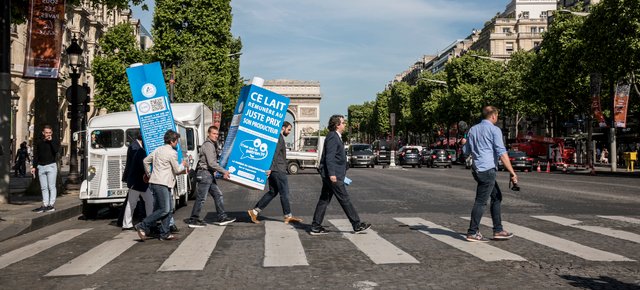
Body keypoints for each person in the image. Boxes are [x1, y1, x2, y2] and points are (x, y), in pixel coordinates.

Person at [463, 106, 517, 242]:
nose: (497, 119)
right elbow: (502, 153)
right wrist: (512, 172)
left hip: (477, 169)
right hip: (488, 169)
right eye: (497, 116)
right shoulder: (494, 130)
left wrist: (463, 142)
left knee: (496, 196)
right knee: (481, 202)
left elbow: (466, 151)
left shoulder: (473, 129)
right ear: (493, 116)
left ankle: (498, 230)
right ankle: (472, 232)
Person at [309, 115, 371, 235]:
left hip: (332, 174)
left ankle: (316, 226)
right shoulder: (333, 136)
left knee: (324, 200)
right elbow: (330, 157)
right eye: (343, 122)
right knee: (344, 199)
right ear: (337, 125)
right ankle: (356, 224)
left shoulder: (335, 136)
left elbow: (335, 156)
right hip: (334, 175)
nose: (345, 124)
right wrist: (332, 174)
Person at [247, 121, 303, 225]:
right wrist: (271, 168)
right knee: (284, 193)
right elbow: (274, 154)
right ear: (283, 128)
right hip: (278, 170)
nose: (289, 132)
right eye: (289, 129)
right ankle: (288, 216)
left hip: (275, 169)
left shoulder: (277, 137)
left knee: (273, 192)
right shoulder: (278, 137)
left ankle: (254, 211)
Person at [135, 130, 187, 241]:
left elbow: (145, 161)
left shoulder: (158, 150)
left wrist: (149, 173)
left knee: (168, 209)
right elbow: (177, 170)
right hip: (162, 183)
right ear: (172, 141)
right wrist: (183, 164)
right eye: (176, 141)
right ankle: (143, 225)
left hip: (156, 182)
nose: (177, 144)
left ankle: (165, 233)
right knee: (164, 209)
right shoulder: (172, 153)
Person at [184, 126, 236, 227]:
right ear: (209, 133)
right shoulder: (208, 145)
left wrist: (215, 171)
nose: (216, 136)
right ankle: (193, 219)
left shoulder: (212, 144)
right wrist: (224, 171)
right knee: (201, 198)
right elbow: (211, 163)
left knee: (218, 195)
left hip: (208, 174)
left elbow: (211, 164)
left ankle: (222, 217)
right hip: (204, 174)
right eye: (214, 134)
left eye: (217, 134)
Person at [120, 134, 154, 230]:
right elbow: (142, 164)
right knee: (139, 202)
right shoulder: (139, 150)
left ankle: (128, 223)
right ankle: (148, 221)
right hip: (137, 181)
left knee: (135, 202)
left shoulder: (139, 149)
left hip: (136, 181)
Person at [31, 125, 60, 213]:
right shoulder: (39, 142)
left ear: (52, 133)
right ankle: (45, 204)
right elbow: (36, 155)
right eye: (46, 133)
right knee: (44, 187)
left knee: (51, 186)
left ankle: (51, 205)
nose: (48, 134)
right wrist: (34, 167)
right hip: (41, 166)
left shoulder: (54, 141)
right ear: (43, 133)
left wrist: (51, 141)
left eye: (49, 133)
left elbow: (56, 151)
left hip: (51, 166)